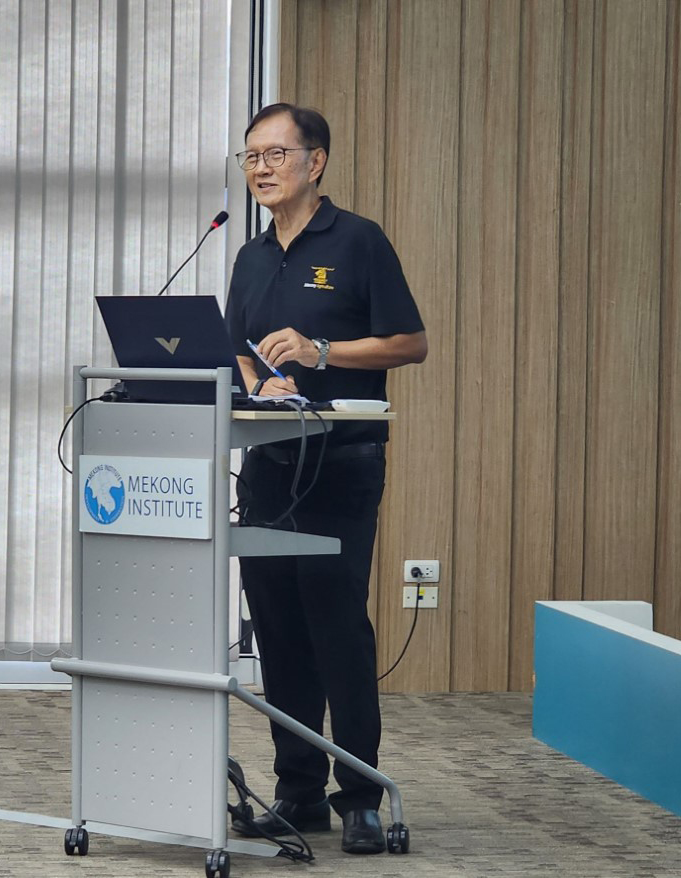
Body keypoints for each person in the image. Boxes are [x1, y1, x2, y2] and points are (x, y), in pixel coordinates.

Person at [224, 103, 427, 855]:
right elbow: (238, 349)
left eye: (275, 154)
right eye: (251, 157)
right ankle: (299, 792)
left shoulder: (357, 241)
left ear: (317, 162)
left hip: (341, 462)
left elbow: (410, 343)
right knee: (277, 627)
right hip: (269, 462)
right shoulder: (249, 256)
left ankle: (361, 797)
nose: (261, 168)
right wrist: (261, 383)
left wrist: (320, 353)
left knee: (335, 625)